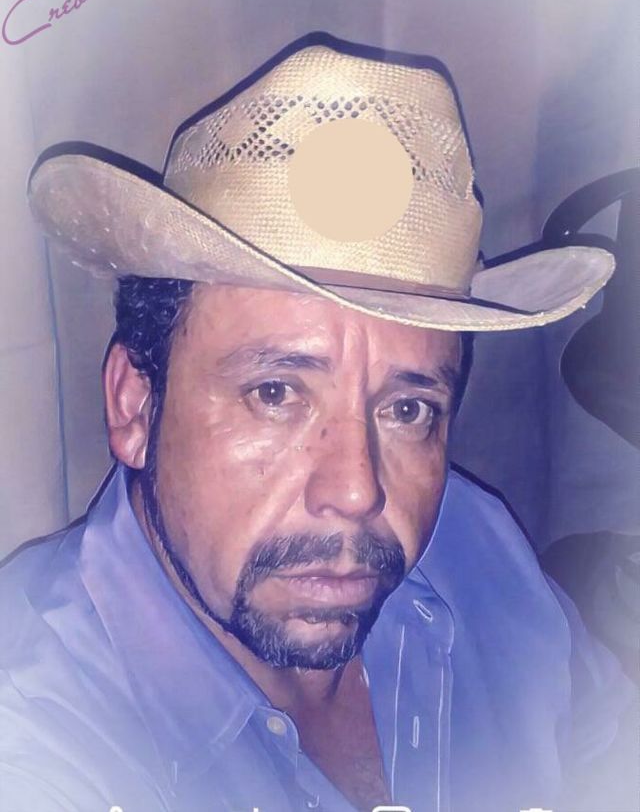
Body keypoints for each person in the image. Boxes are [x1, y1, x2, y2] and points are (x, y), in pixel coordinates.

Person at [0, 40, 634, 812]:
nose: (357, 491)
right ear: (135, 405)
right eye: (276, 392)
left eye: (407, 409)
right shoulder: (34, 738)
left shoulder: (479, 551)